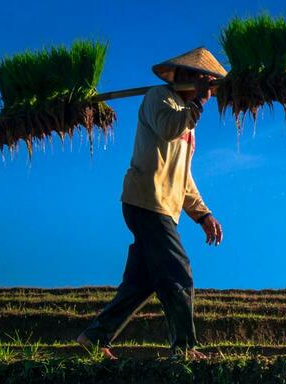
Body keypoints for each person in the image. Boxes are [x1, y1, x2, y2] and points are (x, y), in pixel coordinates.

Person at [77, 48, 227, 360]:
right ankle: (184, 348)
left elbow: (183, 179)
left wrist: (203, 215)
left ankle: (95, 337)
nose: (205, 90)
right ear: (184, 77)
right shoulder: (159, 98)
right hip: (146, 201)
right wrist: (198, 103)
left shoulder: (188, 121)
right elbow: (168, 128)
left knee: (140, 283)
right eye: (202, 82)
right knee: (177, 271)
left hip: (164, 208)